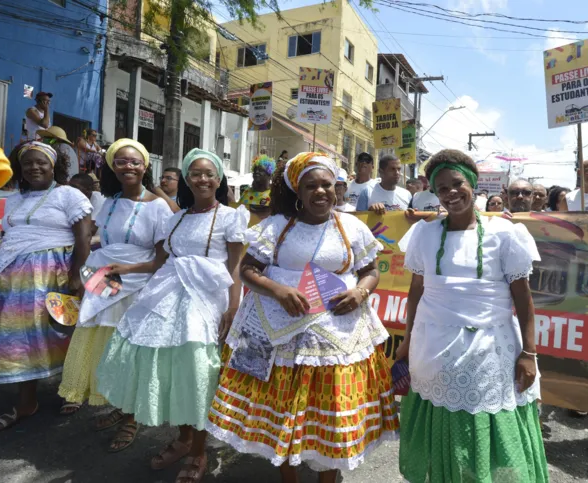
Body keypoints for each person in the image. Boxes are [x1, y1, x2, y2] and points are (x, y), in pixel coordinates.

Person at [205, 152, 399, 481]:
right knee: (282, 410)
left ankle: (327, 478)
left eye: (328, 185)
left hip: (336, 331)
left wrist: (359, 292)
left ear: (338, 188)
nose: (321, 192)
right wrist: (278, 290)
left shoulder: (351, 226)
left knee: (332, 412)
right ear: (298, 190)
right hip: (279, 331)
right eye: (311, 186)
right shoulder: (276, 226)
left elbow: (369, 271)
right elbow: (248, 270)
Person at [395, 149, 547, 482]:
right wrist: (407, 340)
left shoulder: (505, 234)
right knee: (443, 434)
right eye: (441, 188)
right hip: (431, 351)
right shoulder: (424, 233)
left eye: (457, 183)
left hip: (490, 355)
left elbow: (523, 298)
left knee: (489, 435)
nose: (451, 193)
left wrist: (530, 353)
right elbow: (416, 291)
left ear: (473, 184)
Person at [96, 148, 248, 480]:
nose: (203, 178)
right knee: (171, 370)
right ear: (185, 178)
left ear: (219, 179)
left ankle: (198, 451)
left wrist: (233, 308)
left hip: (207, 301)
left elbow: (235, 268)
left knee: (199, 374)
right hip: (167, 295)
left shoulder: (230, 216)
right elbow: (158, 261)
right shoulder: (175, 217)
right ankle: (183, 438)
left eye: (209, 173)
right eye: (195, 173)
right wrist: (125, 267)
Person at [57, 139, 173, 447]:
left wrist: (127, 270)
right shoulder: (108, 202)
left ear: (145, 166)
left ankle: (133, 417)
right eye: (121, 161)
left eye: (135, 161)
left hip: (138, 287)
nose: (128, 167)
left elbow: (162, 260)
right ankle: (121, 408)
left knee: (133, 353)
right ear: (112, 167)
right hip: (103, 283)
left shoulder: (158, 207)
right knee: (110, 351)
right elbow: (95, 240)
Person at [0, 141, 92, 431]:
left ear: (54, 165)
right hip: (12, 282)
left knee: (61, 334)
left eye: (41, 162)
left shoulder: (69, 194)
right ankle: (27, 402)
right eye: (27, 163)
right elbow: (11, 233)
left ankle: (74, 390)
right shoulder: (15, 198)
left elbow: (83, 239)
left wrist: (76, 278)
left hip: (53, 276)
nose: (34, 167)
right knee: (20, 340)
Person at [238, 154, 276, 219]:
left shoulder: (274, 195)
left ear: (269, 175)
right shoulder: (246, 192)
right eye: (255, 170)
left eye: (261, 170)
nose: (256, 172)